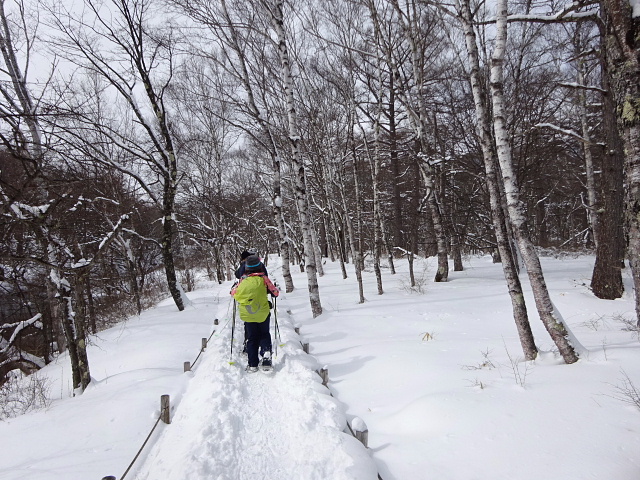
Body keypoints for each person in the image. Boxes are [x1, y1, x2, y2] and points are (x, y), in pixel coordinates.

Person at [231, 255, 279, 373]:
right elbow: (275, 293)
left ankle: (252, 364)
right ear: (260, 267)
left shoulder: (243, 279)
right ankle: (266, 357)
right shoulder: (264, 278)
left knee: (252, 337)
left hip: (248, 314)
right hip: (263, 313)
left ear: (247, 268)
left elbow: (233, 293)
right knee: (264, 334)